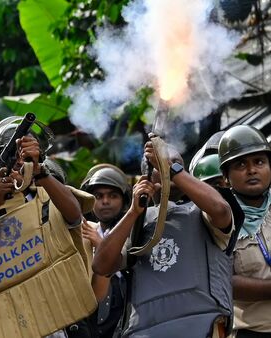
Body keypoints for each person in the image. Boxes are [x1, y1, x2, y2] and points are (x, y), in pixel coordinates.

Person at [0, 116, 97, 338]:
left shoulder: (48, 195)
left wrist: (41, 172)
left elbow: (74, 216)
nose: (19, 165)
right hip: (5, 325)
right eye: (13, 158)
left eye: (26, 159)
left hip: (55, 321)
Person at [92, 140, 234, 337]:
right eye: (159, 163)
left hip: (203, 327)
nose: (167, 165)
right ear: (148, 177)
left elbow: (221, 210)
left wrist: (171, 169)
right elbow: (101, 266)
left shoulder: (201, 210)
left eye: (176, 163)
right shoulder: (138, 221)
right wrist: (133, 212)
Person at [218, 125, 271, 337]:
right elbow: (225, 280)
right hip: (252, 331)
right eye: (240, 164)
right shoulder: (219, 218)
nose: (251, 170)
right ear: (225, 177)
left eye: (259, 162)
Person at [80, 164, 130, 338]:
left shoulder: (134, 230)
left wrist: (101, 246)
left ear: (124, 201)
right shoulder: (82, 233)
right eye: (98, 196)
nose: (105, 201)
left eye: (113, 196)